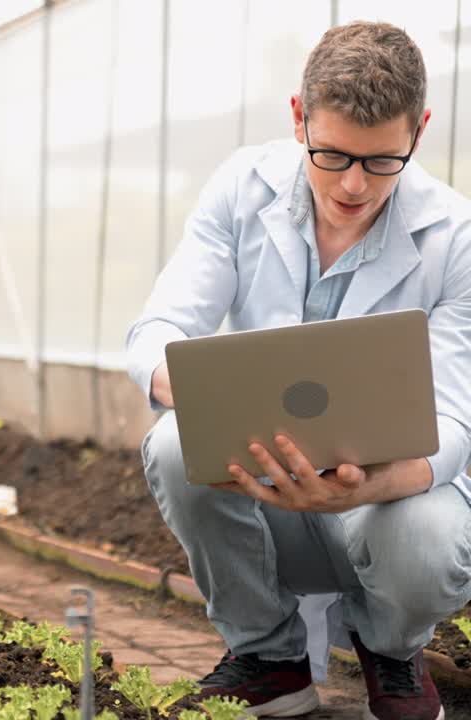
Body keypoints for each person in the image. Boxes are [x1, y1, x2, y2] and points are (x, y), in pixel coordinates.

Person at [127, 21, 471, 720]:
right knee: (173, 441)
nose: (352, 185)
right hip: (267, 486)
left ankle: (393, 652)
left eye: (382, 162)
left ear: (420, 130)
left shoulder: (455, 236)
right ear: (297, 116)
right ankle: (269, 658)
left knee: (427, 537)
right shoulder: (239, 189)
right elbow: (156, 335)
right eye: (331, 154)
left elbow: (455, 423)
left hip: (386, 500)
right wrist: (202, 392)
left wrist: (369, 485)